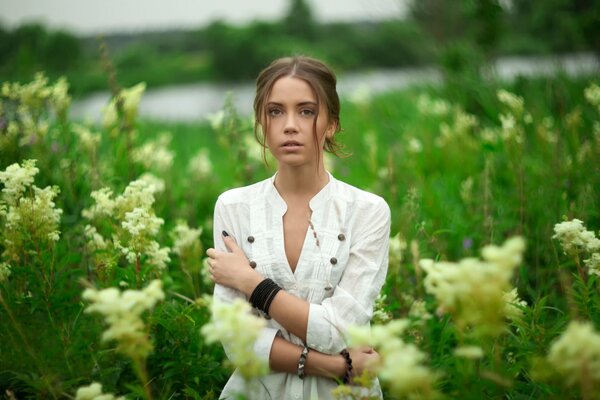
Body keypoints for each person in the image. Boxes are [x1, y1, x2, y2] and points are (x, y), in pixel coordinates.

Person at [206, 56, 391, 399]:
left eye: (306, 111)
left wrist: (251, 282)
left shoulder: (367, 211)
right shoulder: (233, 208)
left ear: (331, 123)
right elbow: (236, 339)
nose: (289, 125)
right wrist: (338, 366)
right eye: (275, 111)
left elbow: (338, 330)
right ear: (262, 122)